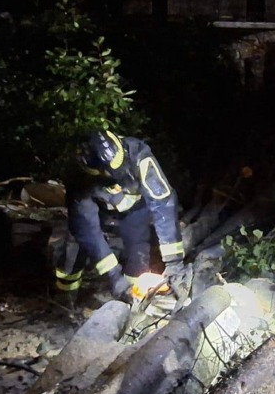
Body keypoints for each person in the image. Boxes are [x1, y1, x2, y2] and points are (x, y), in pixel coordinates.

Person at [54, 128, 187, 304]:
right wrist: (114, 277)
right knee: (75, 246)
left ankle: (133, 303)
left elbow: (163, 203)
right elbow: (88, 230)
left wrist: (174, 262)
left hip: (134, 208)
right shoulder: (78, 177)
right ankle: (65, 300)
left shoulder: (139, 155)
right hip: (98, 207)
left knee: (138, 251)